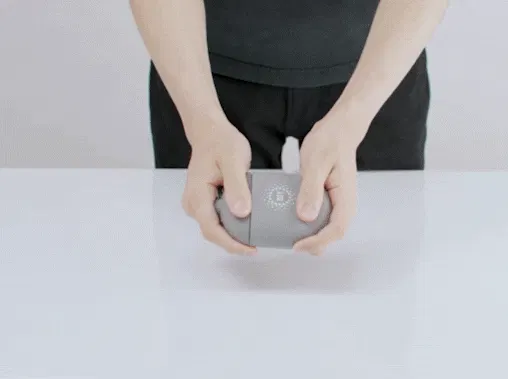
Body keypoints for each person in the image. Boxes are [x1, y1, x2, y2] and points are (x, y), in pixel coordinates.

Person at [130, 0, 447, 256]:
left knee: (376, 278)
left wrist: (354, 115)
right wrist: (202, 121)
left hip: (379, 65)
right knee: (203, 275)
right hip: (200, 72)